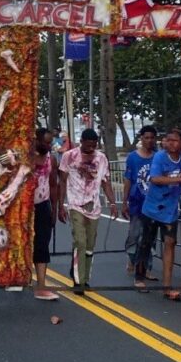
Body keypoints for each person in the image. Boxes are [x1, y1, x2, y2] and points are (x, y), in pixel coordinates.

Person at [58, 128, 118, 295]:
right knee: (80, 242)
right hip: (75, 204)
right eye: (88, 145)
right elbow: (62, 181)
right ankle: (78, 281)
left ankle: (84, 278)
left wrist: (113, 203)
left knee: (90, 246)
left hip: (94, 205)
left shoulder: (101, 159)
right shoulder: (69, 156)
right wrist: (60, 206)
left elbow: (106, 182)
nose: (91, 149)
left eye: (94, 145)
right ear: (81, 142)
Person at [134, 129, 181, 301]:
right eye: (168, 140)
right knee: (147, 243)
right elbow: (155, 178)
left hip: (170, 210)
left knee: (170, 244)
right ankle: (139, 277)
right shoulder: (160, 157)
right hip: (152, 208)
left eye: (174, 140)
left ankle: (167, 285)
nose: (170, 143)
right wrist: (179, 179)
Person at [122, 125, 158, 280]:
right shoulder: (133, 157)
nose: (149, 141)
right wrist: (124, 201)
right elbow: (128, 179)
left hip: (153, 203)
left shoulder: (158, 157)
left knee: (150, 237)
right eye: (146, 137)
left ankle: (147, 268)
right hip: (137, 201)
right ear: (141, 139)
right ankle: (132, 259)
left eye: (152, 138)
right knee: (134, 235)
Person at [31, 127, 60, 301]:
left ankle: (41, 286)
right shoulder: (25, 158)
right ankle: (17, 278)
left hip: (42, 205)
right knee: (21, 244)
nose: (49, 145)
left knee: (42, 244)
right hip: (24, 208)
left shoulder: (52, 160)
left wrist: (54, 209)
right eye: (46, 142)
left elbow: (53, 184)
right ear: (37, 140)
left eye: (51, 142)